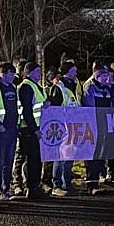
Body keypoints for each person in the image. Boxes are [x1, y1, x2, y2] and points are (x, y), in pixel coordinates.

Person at [82, 63, 114, 194]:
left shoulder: (106, 89)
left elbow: (113, 106)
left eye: (107, 75)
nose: (106, 78)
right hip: (93, 125)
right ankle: (91, 184)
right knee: (92, 155)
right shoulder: (90, 87)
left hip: (104, 126)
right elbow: (89, 106)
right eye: (103, 75)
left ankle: (98, 179)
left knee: (101, 154)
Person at [47, 61, 80, 197]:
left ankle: (67, 183)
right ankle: (57, 185)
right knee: (60, 157)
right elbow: (54, 108)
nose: (76, 73)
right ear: (68, 71)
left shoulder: (74, 86)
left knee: (69, 156)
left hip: (73, 126)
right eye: (74, 70)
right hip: (62, 127)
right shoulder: (60, 87)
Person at [0, 62, 20, 201]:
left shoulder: (13, 88)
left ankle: (7, 188)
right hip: (0, 131)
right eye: (11, 74)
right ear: (3, 74)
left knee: (9, 159)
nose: (13, 76)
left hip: (12, 129)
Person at [18, 62, 48, 200]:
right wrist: (34, 129)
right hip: (29, 130)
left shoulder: (36, 86)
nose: (39, 74)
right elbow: (27, 110)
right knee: (32, 160)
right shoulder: (26, 86)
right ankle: (30, 188)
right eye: (36, 71)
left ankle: (35, 186)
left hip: (37, 128)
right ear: (28, 72)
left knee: (37, 160)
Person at [11, 59, 29, 195]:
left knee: (21, 155)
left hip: (20, 124)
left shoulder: (18, 83)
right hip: (18, 125)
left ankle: (21, 182)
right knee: (19, 156)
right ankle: (17, 183)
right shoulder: (18, 84)